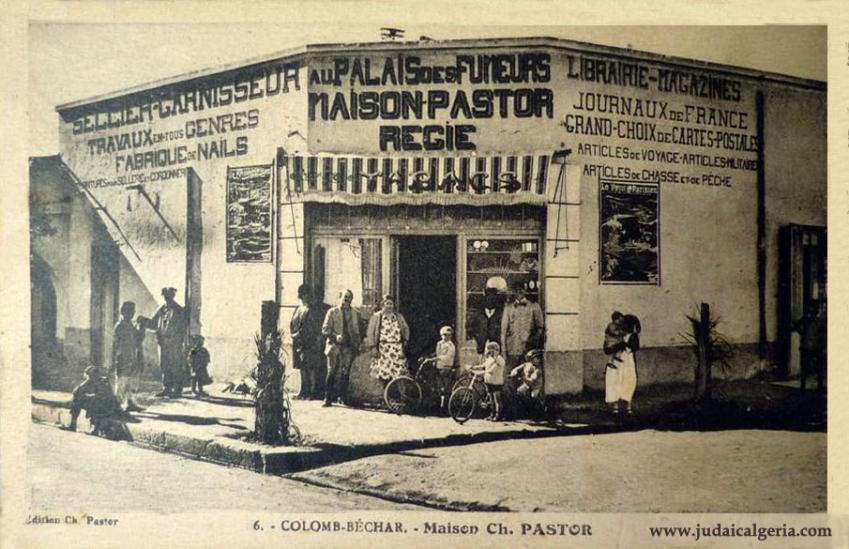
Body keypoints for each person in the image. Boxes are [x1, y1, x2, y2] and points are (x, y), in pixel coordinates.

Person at [500, 285, 544, 418]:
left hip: (528, 352)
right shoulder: (508, 308)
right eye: (516, 291)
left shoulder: (534, 307)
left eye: (521, 290)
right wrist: (504, 351)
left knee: (528, 380)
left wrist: (533, 342)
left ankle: (527, 411)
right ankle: (510, 411)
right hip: (512, 349)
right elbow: (503, 332)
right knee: (510, 380)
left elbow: (540, 327)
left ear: (525, 291)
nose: (518, 293)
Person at [322, 289, 361, 407]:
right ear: (340, 297)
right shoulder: (332, 312)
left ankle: (342, 397)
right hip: (334, 345)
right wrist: (335, 336)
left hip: (348, 347)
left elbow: (359, 330)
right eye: (345, 297)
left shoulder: (355, 313)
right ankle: (328, 398)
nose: (346, 299)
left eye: (349, 297)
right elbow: (325, 329)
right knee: (332, 370)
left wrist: (357, 343)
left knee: (345, 372)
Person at [150, 287, 187, 398]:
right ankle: (167, 388)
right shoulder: (162, 309)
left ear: (173, 296)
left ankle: (177, 389)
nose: (167, 298)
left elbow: (183, 327)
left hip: (175, 342)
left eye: (169, 296)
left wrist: (180, 340)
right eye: (165, 296)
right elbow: (153, 323)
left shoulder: (179, 310)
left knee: (175, 365)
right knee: (165, 365)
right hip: (163, 342)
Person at [291, 284, 326, 399]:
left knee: (310, 368)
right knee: (301, 368)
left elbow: (310, 327)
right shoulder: (298, 309)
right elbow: (293, 324)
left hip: (309, 343)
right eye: (303, 294)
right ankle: (303, 391)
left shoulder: (311, 310)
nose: (305, 297)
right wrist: (293, 335)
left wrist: (299, 334)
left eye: (307, 295)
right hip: (298, 343)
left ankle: (311, 391)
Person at [65, 365, 124, 434]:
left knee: (96, 403)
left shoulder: (103, 381)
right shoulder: (90, 382)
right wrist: (87, 381)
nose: (91, 377)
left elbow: (102, 396)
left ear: (97, 374)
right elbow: (76, 392)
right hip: (98, 405)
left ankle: (95, 429)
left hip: (108, 408)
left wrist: (89, 396)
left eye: (92, 375)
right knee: (78, 399)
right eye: (89, 376)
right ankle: (73, 424)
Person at [367, 294, 410, 383]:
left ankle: (395, 394)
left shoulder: (398, 316)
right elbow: (370, 333)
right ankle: (386, 393)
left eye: (391, 304)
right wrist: (373, 347)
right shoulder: (376, 317)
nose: (389, 306)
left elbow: (406, 328)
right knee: (384, 373)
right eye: (387, 303)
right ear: (382, 304)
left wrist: (405, 340)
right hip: (383, 349)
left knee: (398, 373)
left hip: (396, 348)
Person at [111, 300, 146, 412]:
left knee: (131, 382)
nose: (131, 314)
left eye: (132, 312)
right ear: (123, 312)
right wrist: (115, 359)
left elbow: (138, 339)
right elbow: (115, 345)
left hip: (132, 357)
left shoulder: (131, 325)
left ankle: (130, 403)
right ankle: (116, 406)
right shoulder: (120, 326)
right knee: (122, 382)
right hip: (122, 358)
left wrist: (142, 327)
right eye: (129, 312)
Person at [604, 313, 641, 415]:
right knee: (615, 381)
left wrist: (623, 345)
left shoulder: (632, 336)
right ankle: (616, 405)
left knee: (628, 381)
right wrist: (619, 346)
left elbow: (634, 347)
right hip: (617, 361)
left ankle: (628, 405)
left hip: (627, 361)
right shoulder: (616, 334)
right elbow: (607, 349)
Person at [798, 304, 826, 395]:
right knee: (805, 367)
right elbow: (796, 324)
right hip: (808, 347)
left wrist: (823, 345)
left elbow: (825, 334)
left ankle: (819, 386)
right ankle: (803, 386)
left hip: (817, 347)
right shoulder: (806, 320)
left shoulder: (821, 321)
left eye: (814, 309)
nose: (812, 311)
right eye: (811, 309)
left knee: (819, 367)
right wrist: (802, 333)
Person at [472, 287, 504, 357]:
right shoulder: (478, 314)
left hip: (496, 350)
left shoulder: (500, 314)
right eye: (488, 298)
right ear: (485, 299)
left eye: (493, 298)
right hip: (480, 349)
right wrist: (477, 338)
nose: (490, 301)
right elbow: (472, 328)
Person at [477, 341, 505, 421]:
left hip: (496, 382)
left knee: (497, 399)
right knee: (491, 399)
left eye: (492, 351)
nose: (491, 353)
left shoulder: (500, 360)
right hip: (488, 381)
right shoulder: (489, 359)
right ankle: (492, 414)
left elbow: (492, 371)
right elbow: (483, 366)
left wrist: (481, 373)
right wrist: (474, 367)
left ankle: (498, 415)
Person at [435, 325, 457, 407]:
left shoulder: (451, 346)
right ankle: (438, 403)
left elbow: (448, 356)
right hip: (439, 366)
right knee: (439, 385)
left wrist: (437, 358)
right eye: (443, 335)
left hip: (446, 366)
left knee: (444, 387)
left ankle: (444, 405)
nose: (445, 337)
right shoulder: (439, 343)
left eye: (447, 335)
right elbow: (438, 353)